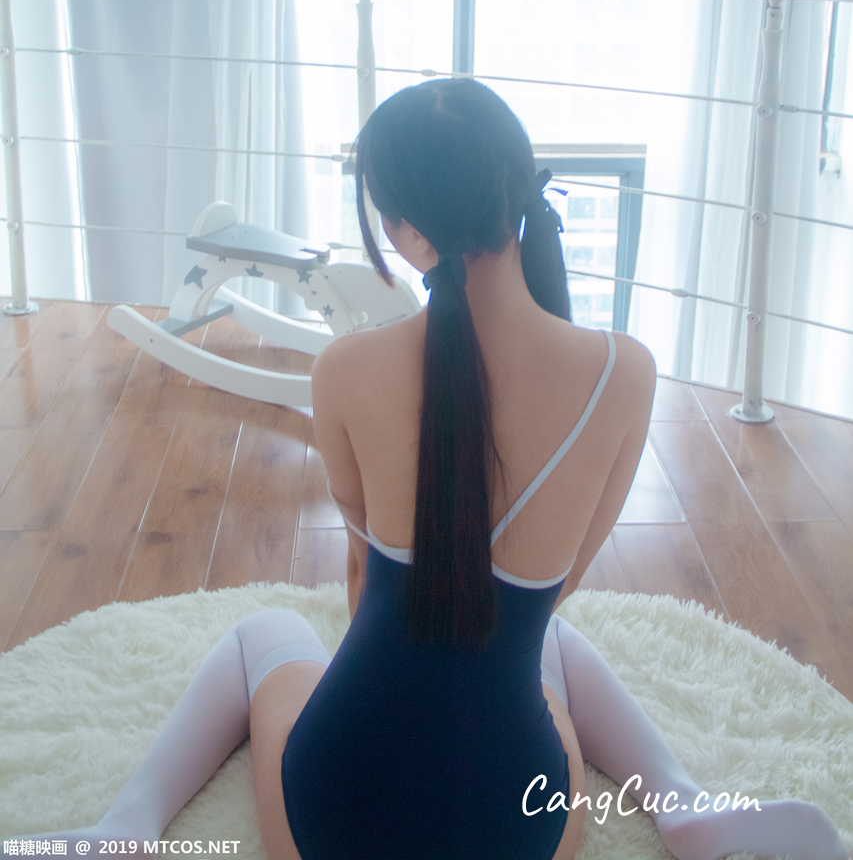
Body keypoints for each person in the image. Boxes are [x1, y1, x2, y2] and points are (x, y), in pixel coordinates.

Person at [16, 79, 847, 860]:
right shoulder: (624, 374)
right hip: (521, 825)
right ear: (515, 190)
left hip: (334, 817)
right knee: (542, 635)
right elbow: (555, 588)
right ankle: (682, 803)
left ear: (412, 235)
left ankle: (126, 824)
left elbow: (360, 583)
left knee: (263, 635)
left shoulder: (346, 369)